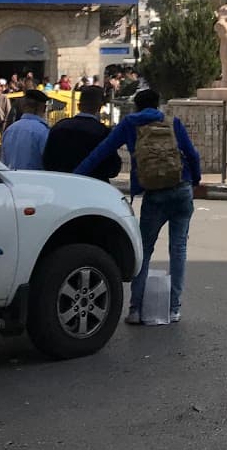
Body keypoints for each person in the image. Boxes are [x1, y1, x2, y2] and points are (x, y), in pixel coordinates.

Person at [76, 88, 200, 325]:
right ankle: (174, 309)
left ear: (136, 106)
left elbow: (100, 153)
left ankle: (135, 309)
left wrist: (75, 176)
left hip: (154, 194)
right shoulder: (171, 122)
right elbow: (192, 154)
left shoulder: (129, 124)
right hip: (181, 188)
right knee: (179, 249)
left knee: (144, 250)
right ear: (158, 104)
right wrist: (195, 180)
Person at [42, 85, 113, 172]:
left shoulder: (60, 127)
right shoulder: (103, 132)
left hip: (62, 180)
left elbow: (47, 162)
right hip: (93, 182)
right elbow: (112, 168)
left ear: (79, 105)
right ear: (100, 107)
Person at [0, 90, 52, 171]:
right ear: (43, 108)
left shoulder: (10, 130)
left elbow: (3, 160)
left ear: (23, 107)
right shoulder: (42, 131)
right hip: (34, 180)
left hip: (12, 179)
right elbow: (49, 162)